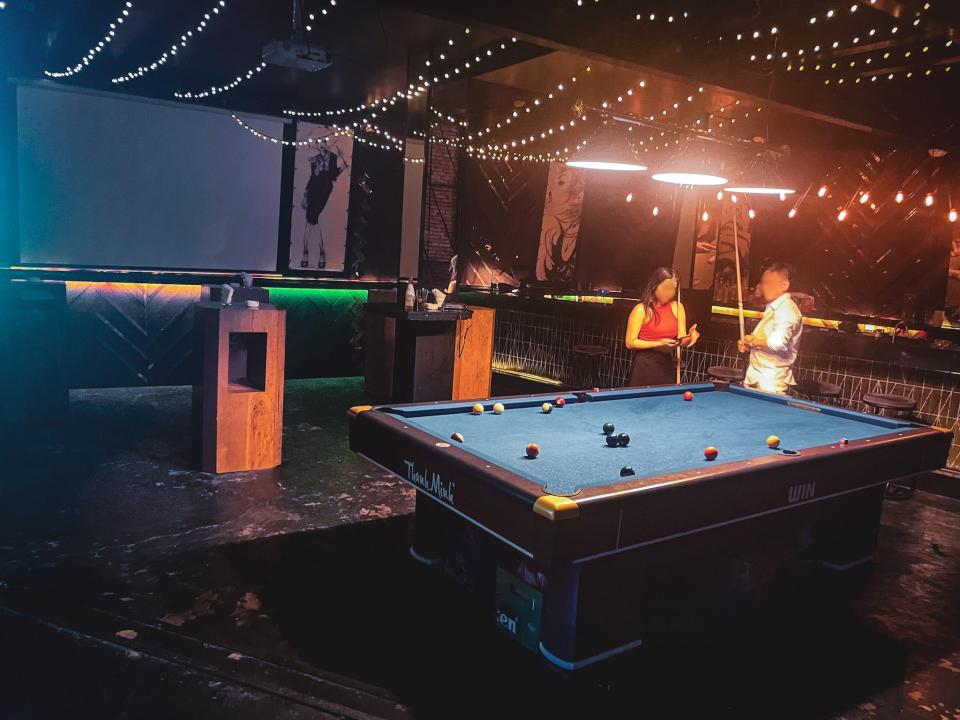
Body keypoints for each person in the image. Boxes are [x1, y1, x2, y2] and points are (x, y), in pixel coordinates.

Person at [624, 267, 700, 386]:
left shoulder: (677, 307)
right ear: (655, 286)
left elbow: (681, 341)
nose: (669, 293)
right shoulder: (641, 309)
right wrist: (660, 342)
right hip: (644, 367)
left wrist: (690, 337)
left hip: (666, 365)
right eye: (666, 288)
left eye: (673, 289)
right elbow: (630, 342)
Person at [738, 261, 803, 394]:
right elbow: (767, 340)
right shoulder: (776, 307)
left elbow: (777, 343)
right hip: (759, 378)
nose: (764, 287)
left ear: (784, 285)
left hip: (771, 383)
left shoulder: (786, 309)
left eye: (769, 283)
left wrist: (751, 341)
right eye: (763, 282)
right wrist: (750, 344)